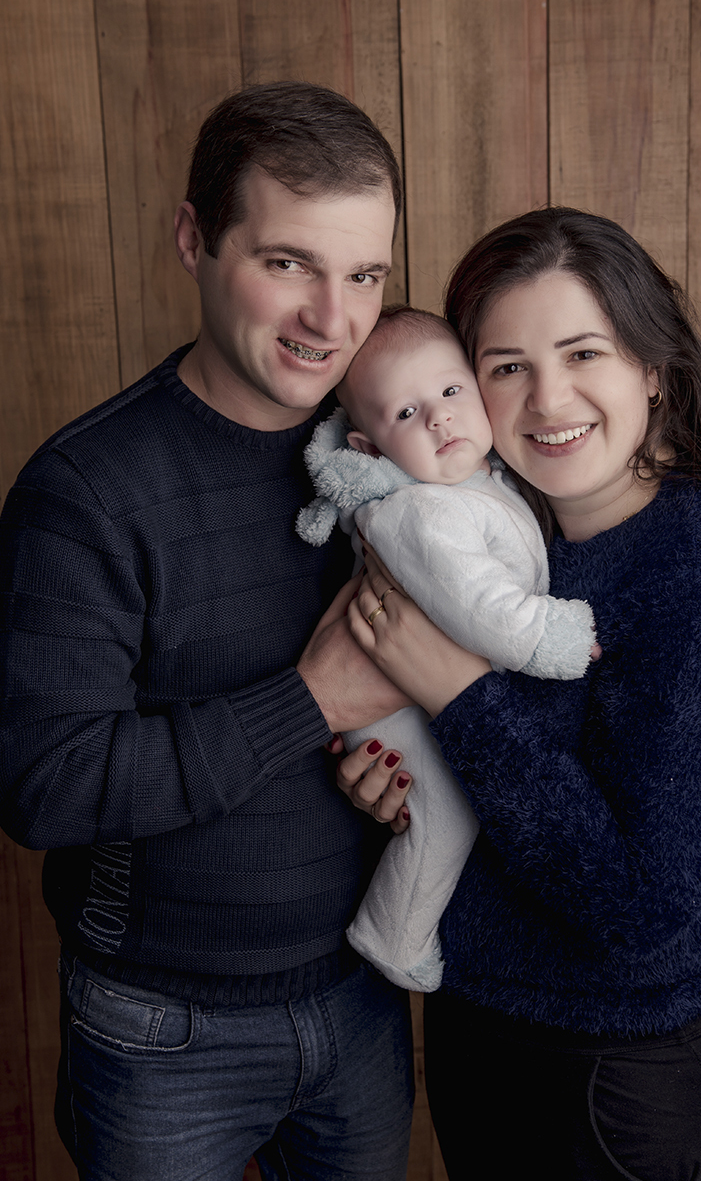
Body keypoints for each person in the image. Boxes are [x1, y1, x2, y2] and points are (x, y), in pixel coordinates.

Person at [0, 82, 417, 1181]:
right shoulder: (84, 492)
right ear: (194, 239)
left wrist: (394, 774)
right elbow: (46, 786)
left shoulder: (395, 457)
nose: (332, 321)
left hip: (363, 1000)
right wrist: (311, 701)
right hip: (160, 1035)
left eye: (363, 276)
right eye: (287, 264)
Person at [337, 208, 701, 1180]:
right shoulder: (504, 538)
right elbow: (518, 781)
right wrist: (398, 782)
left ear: (651, 368)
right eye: (505, 365)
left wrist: (457, 696)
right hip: (485, 1016)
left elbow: (639, 903)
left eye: (581, 352)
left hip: (618, 1063)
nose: (547, 400)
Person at [296, 306, 596, 991]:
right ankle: (393, 935)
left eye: (452, 392)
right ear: (368, 446)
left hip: (430, 687)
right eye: (405, 414)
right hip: (393, 705)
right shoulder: (417, 513)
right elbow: (477, 607)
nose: (438, 419)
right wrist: (551, 636)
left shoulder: (480, 480)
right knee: (446, 812)